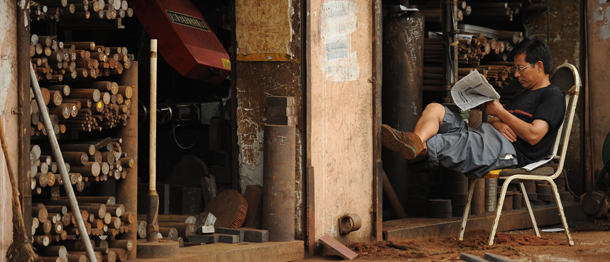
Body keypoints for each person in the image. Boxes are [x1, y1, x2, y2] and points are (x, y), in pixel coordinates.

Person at [382, 38, 566, 177]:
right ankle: (414, 141)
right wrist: (498, 123)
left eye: (521, 68)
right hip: (484, 135)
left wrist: (501, 112)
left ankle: (416, 146)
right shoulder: (521, 95)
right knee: (435, 109)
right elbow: (494, 121)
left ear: (539, 66)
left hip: (506, 151)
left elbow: (534, 135)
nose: (517, 74)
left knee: (443, 142)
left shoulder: (552, 97)